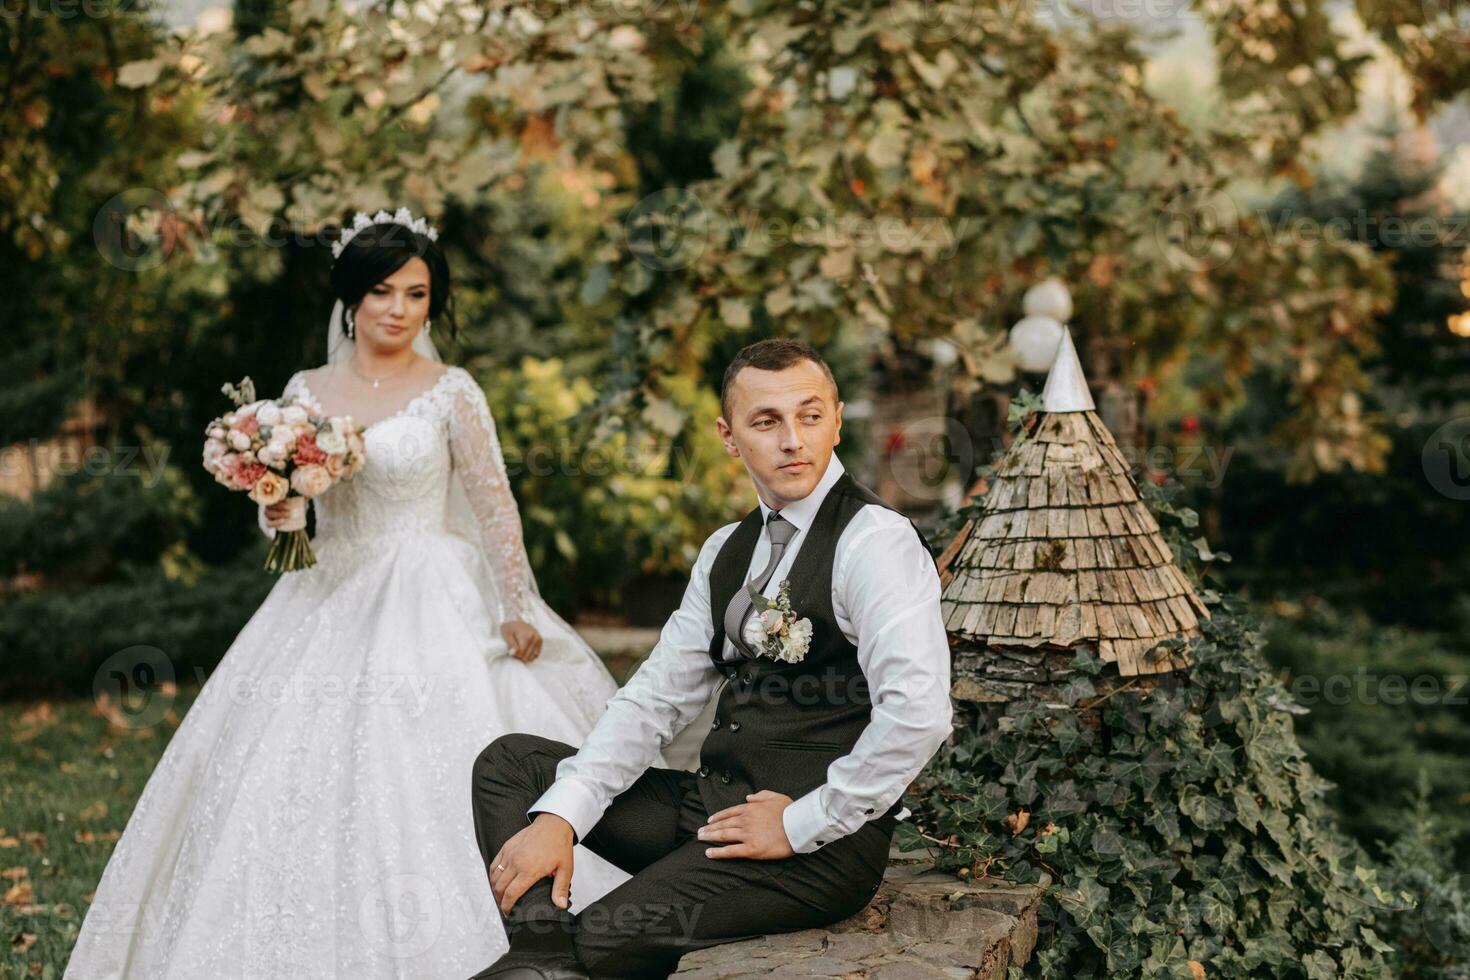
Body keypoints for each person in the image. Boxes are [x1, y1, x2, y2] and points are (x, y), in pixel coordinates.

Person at [63, 208, 635, 979]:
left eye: (417, 293)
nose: (399, 309)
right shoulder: (304, 391)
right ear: (351, 299)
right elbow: (294, 533)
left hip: (434, 590)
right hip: (328, 591)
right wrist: (280, 509)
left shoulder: (452, 391)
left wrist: (517, 605)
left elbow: (495, 504)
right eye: (382, 292)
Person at [466, 339, 955, 979]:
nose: (792, 440)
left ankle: (549, 961)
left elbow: (918, 714)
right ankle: (542, 959)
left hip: (813, 853)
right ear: (730, 436)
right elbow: (656, 698)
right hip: (712, 810)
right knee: (513, 766)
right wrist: (562, 818)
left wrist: (804, 821)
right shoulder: (727, 549)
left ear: (836, 417)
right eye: (765, 421)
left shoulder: (874, 543)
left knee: (603, 936)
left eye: (810, 416)